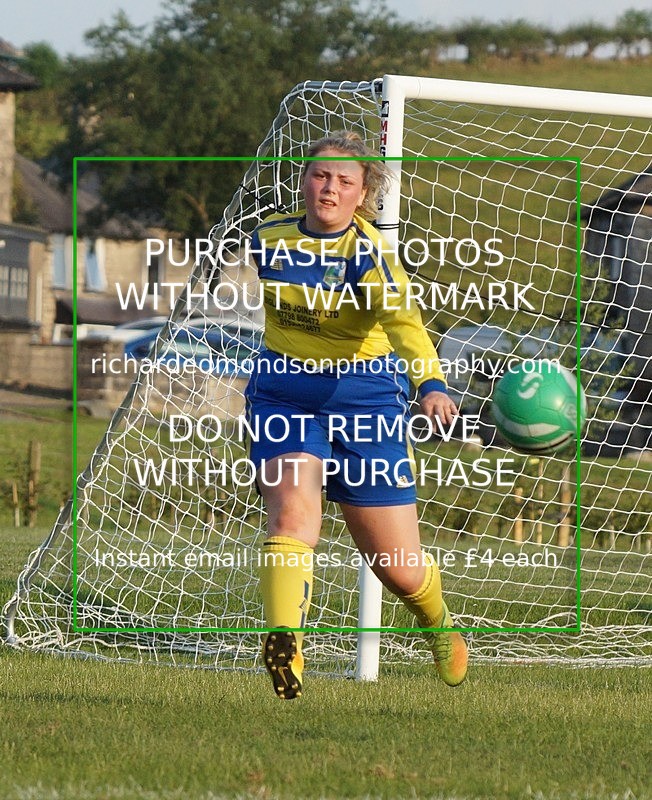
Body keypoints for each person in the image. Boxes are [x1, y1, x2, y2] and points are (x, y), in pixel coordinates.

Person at [244, 130, 468, 699]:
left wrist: (431, 385)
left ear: (362, 193)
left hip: (365, 401)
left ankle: (436, 620)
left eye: (345, 181)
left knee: (397, 568)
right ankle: (285, 642)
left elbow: (407, 329)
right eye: (321, 175)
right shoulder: (267, 240)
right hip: (284, 395)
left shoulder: (369, 259)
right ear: (303, 180)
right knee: (293, 515)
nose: (329, 188)